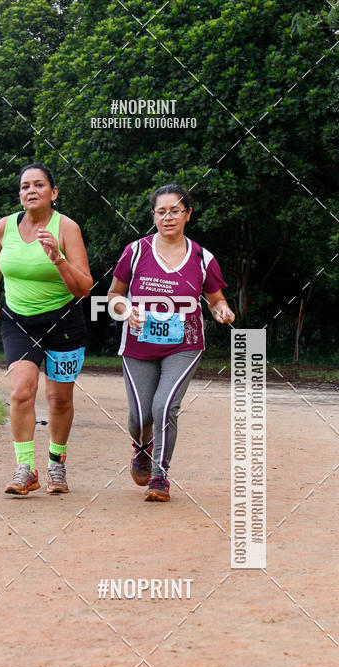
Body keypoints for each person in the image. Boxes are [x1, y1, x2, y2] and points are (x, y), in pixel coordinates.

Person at [107, 183, 234, 502]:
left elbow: (215, 299)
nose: (168, 217)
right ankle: (142, 447)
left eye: (175, 210)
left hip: (184, 343)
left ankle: (160, 477)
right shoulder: (135, 252)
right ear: (153, 216)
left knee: (165, 407)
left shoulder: (203, 258)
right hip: (138, 342)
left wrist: (222, 311)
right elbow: (113, 296)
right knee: (141, 416)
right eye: (161, 211)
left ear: (188, 214)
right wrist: (126, 311)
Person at [0, 164, 93, 495]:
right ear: (19, 194)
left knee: (58, 399)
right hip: (18, 321)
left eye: (39, 185)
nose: (31, 190)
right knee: (21, 391)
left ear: (53, 193)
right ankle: (25, 469)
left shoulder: (67, 228)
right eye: (25, 186)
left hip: (64, 321)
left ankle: (57, 465)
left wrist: (58, 258)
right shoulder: (5, 226)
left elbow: (84, 287)